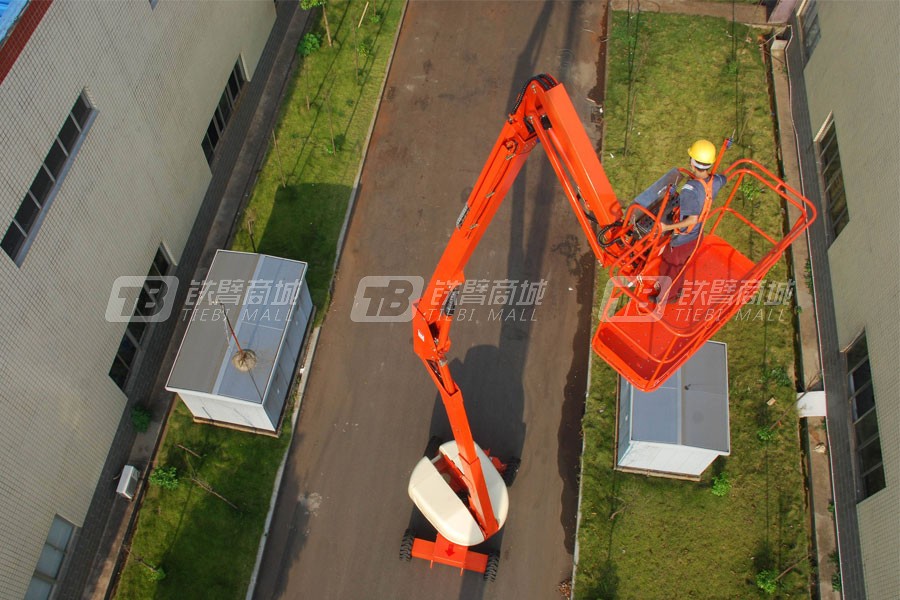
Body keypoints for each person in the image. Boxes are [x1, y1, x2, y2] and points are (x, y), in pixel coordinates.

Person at [650, 139, 727, 304]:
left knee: (669, 267)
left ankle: (665, 298)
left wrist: (667, 226)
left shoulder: (689, 190)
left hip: (683, 240)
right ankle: (677, 290)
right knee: (680, 266)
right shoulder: (716, 182)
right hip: (697, 236)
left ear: (692, 163)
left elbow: (691, 218)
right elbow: (723, 178)